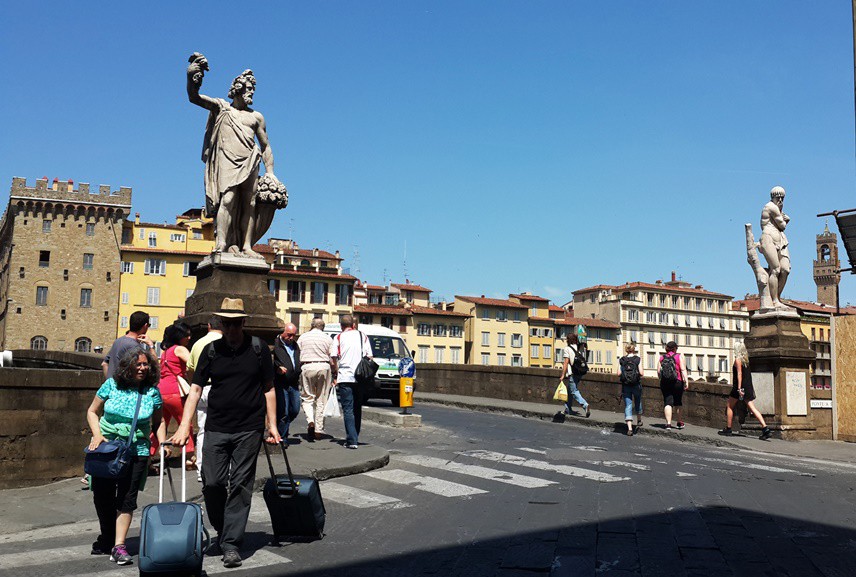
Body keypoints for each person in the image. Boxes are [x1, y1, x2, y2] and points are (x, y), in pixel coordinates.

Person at [170, 298, 279, 569]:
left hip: (248, 428)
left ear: (243, 322)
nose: (230, 329)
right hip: (216, 427)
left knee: (241, 485)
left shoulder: (258, 349)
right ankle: (222, 527)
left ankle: (231, 543)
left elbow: (269, 388)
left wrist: (272, 425)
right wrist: (185, 426)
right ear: (221, 323)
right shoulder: (210, 351)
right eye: (226, 324)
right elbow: (195, 390)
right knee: (212, 483)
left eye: (235, 323)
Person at [186, 54, 283, 257]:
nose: (252, 93)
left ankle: (247, 246)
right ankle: (221, 243)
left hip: (250, 161)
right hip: (227, 162)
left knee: (251, 203)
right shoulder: (222, 108)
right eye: (249, 89)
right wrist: (192, 75)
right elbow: (194, 97)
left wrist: (271, 172)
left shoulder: (256, 117)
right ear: (238, 88)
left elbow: (265, 146)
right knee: (227, 200)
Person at [86, 347, 166, 565]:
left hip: (137, 451)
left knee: (127, 499)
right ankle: (108, 537)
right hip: (107, 449)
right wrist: (97, 435)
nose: (142, 368)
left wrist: (162, 442)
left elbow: (159, 421)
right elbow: (92, 411)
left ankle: (118, 546)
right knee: (102, 496)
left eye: (145, 364)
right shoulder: (111, 385)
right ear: (127, 366)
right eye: (138, 364)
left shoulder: (151, 392)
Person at [185, 315, 224, 482]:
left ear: (208, 326)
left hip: (201, 388)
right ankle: (221, 468)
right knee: (223, 430)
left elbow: (190, 369)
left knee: (202, 431)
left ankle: (201, 470)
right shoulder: (226, 341)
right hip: (220, 389)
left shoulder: (198, 343)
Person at [151, 322, 195, 468]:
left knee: (160, 425)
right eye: (186, 334)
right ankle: (189, 457)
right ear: (179, 336)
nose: (189, 337)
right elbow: (193, 364)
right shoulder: (180, 349)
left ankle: (147, 455)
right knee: (185, 423)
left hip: (161, 391)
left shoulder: (166, 352)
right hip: (175, 392)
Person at [332, 315, 373, 449]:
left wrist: (335, 373)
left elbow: (333, 358)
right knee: (357, 407)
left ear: (341, 326)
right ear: (353, 325)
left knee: (348, 409)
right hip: (360, 377)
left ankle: (352, 440)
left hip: (345, 377)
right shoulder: (363, 336)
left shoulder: (338, 338)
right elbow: (370, 356)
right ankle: (355, 435)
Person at [720, 342, 772, 440]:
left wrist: (739, 388)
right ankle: (765, 428)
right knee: (753, 408)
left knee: (730, 406)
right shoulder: (746, 361)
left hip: (739, 388)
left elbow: (739, 374)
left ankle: (729, 428)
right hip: (748, 387)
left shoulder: (737, 360)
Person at [296, 318, 336, 441]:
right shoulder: (328, 338)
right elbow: (333, 358)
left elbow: (297, 353)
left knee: (307, 397)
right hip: (324, 366)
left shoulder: (303, 337)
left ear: (312, 326)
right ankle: (318, 430)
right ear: (322, 327)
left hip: (307, 366)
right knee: (321, 398)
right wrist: (335, 373)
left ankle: (310, 420)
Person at [758, 186, 793, 311]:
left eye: (782, 198)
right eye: (778, 197)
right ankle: (774, 300)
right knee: (776, 269)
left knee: (785, 269)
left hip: (781, 241)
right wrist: (786, 219)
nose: (780, 200)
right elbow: (782, 225)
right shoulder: (771, 207)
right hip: (768, 239)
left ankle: (777, 297)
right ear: (773, 197)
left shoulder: (777, 208)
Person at [102, 311, 153, 378]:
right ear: (145, 326)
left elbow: (104, 364)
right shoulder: (134, 346)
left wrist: (109, 382)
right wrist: (151, 345)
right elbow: (153, 366)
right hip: (125, 387)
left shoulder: (118, 341)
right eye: (148, 326)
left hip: (112, 386)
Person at [273, 323, 301, 439]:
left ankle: (281, 432)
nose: (291, 338)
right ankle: (282, 438)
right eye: (289, 335)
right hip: (281, 382)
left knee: (294, 410)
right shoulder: (276, 344)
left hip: (293, 383)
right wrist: (277, 368)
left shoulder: (295, 345)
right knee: (283, 412)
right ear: (283, 332)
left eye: (293, 335)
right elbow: (270, 361)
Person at [658, 341, 688, 430]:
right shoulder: (679, 356)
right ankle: (679, 423)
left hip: (665, 382)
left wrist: (663, 380)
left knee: (668, 402)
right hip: (677, 381)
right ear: (675, 348)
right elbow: (683, 370)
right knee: (678, 402)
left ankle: (668, 424)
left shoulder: (662, 357)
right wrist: (686, 381)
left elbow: (659, 372)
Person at [561, 334, 590, 418]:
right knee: (569, 391)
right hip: (579, 372)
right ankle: (568, 409)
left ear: (568, 340)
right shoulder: (580, 347)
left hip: (572, 373)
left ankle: (585, 405)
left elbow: (566, 362)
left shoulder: (567, 349)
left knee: (574, 391)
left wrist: (563, 375)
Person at [618, 344, 644, 436]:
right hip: (636, 384)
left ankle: (629, 428)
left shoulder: (622, 360)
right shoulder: (637, 359)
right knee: (638, 401)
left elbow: (618, 373)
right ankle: (639, 420)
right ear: (634, 350)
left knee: (628, 405)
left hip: (626, 385)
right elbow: (641, 373)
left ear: (626, 350)